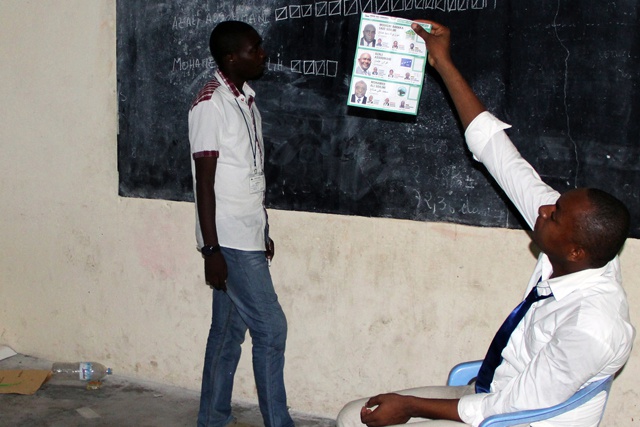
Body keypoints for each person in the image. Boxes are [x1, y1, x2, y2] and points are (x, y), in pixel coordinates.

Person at [337, 19, 634, 427]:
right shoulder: (580, 254)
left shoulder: (593, 326)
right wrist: (443, 63)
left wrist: (410, 406)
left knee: (357, 421)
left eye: (555, 213)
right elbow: (497, 151)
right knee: (354, 415)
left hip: (513, 419)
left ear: (576, 249)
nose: (544, 209)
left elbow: (512, 408)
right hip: (491, 393)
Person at [188, 21, 294, 427]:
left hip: (245, 231)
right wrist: (211, 249)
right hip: (227, 237)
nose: (263, 54)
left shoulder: (247, 100)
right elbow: (205, 183)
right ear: (232, 57)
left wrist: (262, 228)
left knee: (227, 333)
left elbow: (249, 173)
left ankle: (211, 419)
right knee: (271, 330)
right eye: (255, 49)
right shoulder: (209, 104)